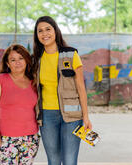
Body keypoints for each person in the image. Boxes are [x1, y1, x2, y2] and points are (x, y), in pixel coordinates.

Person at [32, 16, 92, 165]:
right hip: (46, 116)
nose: (44, 33)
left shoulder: (71, 55)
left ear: (55, 31)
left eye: (48, 29)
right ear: (36, 35)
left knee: (69, 161)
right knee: (53, 161)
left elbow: (81, 88)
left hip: (72, 116)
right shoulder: (36, 59)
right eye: (40, 31)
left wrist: (86, 116)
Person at [0, 44, 40, 165]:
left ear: (26, 60)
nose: (17, 62)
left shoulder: (34, 82)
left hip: (30, 138)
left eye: (20, 58)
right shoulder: (0, 80)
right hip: (6, 138)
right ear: (8, 64)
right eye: (13, 60)